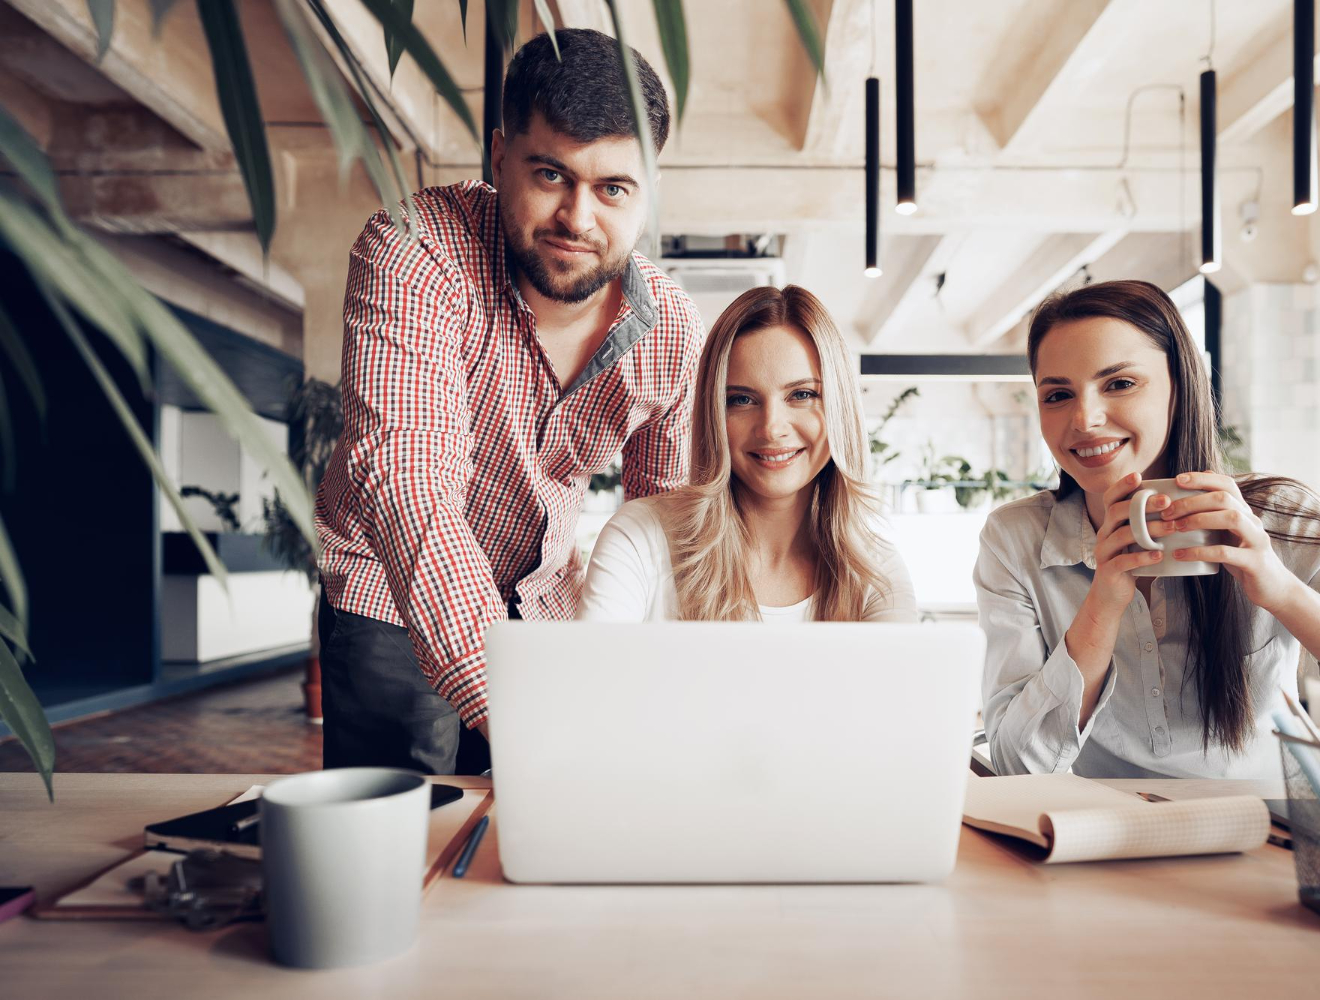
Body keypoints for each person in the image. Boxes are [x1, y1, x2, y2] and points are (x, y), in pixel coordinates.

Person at [314, 29, 705, 774]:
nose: (578, 219)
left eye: (613, 188)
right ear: (500, 158)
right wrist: (517, 709)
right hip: (391, 589)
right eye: (552, 174)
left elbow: (665, 524)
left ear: (648, 191)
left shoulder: (672, 330)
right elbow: (408, 480)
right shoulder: (414, 250)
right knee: (407, 833)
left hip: (544, 600)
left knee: (527, 829)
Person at [974, 279, 1320, 778]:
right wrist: (1103, 604)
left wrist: (1279, 588)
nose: (1084, 419)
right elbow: (1016, 763)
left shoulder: (1281, 516)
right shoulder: (1015, 539)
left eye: (1120, 383)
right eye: (1057, 395)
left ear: (1181, 388)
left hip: (1267, 834)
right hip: (1100, 840)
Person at [577, 285, 915, 623]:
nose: (771, 427)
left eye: (801, 394)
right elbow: (592, 674)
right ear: (714, 414)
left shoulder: (875, 571)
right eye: (741, 399)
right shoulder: (639, 538)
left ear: (840, 407)